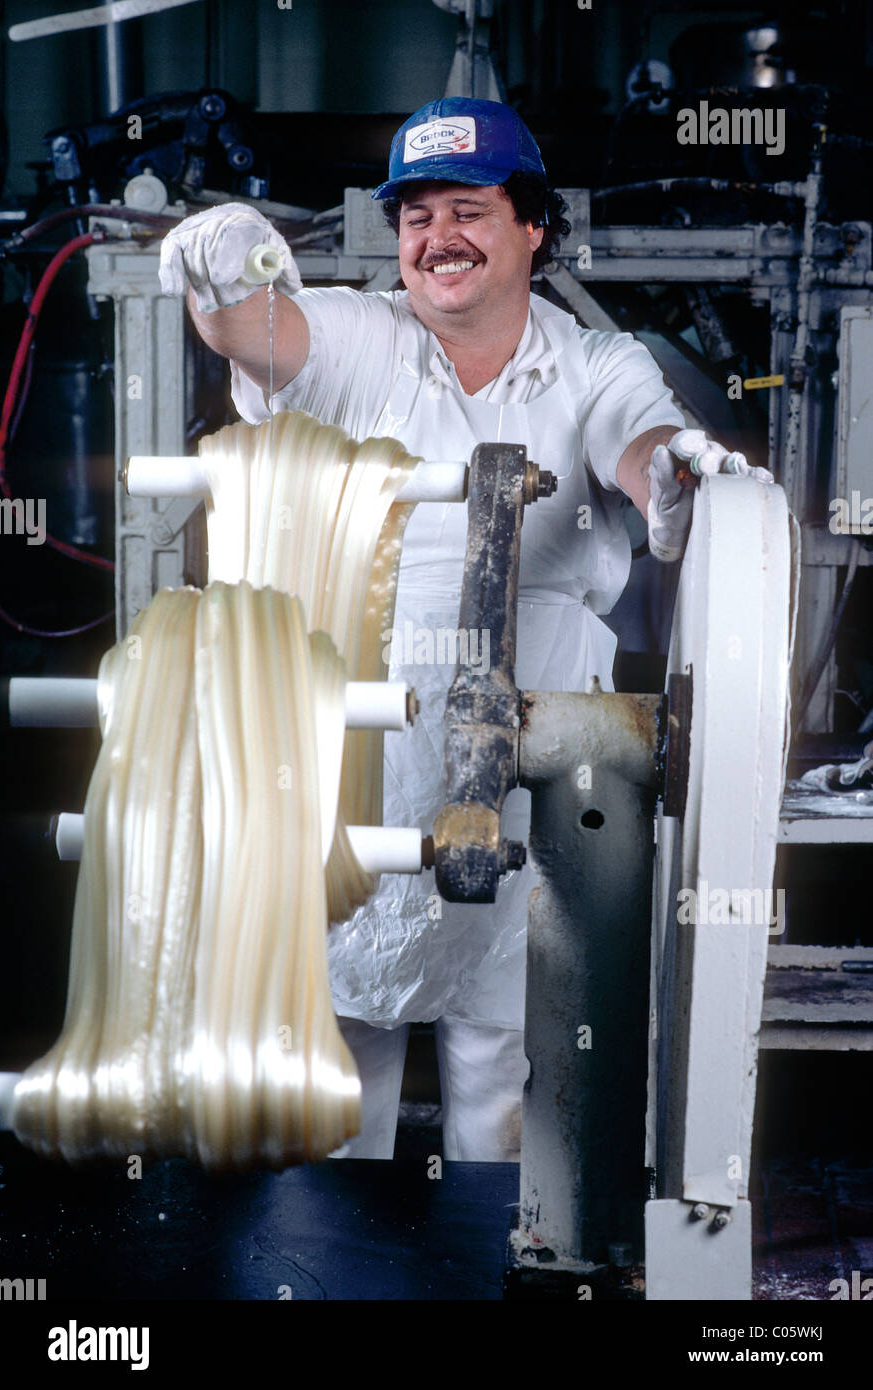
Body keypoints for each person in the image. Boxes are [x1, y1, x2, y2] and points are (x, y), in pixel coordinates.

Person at [160, 97, 770, 1163]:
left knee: (508, 1044)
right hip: (369, 738)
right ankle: (329, 1272)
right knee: (345, 1034)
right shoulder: (363, 338)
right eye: (415, 216)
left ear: (532, 226)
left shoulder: (592, 362)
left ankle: (499, 1262)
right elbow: (259, 334)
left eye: (469, 210)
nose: (437, 237)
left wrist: (670, 476)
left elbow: (639, 434)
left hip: (543, 740)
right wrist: (223, 270)